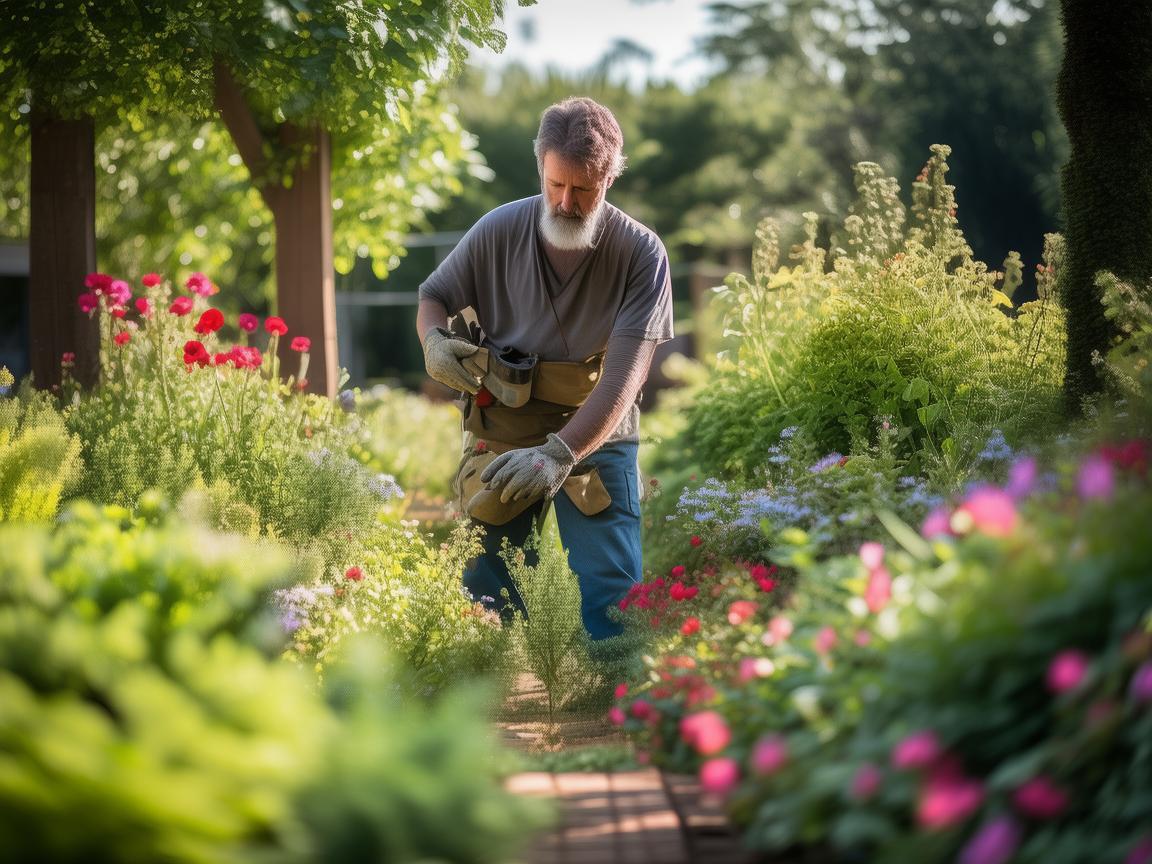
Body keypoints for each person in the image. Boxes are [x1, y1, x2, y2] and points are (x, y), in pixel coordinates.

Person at [416, 96, 672, 641]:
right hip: (504, 423)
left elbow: (624, 379)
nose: (565, 201)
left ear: (609, 179)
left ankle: (616, 699)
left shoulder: (642, 253)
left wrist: (560, 453)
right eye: (555, 184)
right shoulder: (497, 230)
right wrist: (434, 342)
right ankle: (487, 701)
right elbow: (433, 295)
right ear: (541, 166)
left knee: (613, 591)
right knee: (487, 585)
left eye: (583, 189)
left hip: (597, 427)